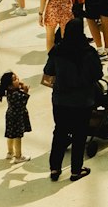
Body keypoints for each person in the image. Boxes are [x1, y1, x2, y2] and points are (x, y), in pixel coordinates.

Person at [43, 18, 102, 182]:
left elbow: (48, 70)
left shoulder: (57, 51)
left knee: (60, 132)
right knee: (79, 135)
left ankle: (55, 168)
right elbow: (98, 74)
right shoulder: (89, 52)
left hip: (60, 100)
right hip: (83, 101)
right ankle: (76, 170)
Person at [0, 70, 31, 164]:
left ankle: (10, 152)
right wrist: (26, 91)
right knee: (18, 137)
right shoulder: (16, 94)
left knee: (10, 135)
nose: (18, 79)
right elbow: (23, 102)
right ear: (10, 85)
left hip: (10, 116)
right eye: (15, 79)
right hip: (17, 117)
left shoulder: (11, 92)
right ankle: (18, 156)